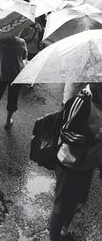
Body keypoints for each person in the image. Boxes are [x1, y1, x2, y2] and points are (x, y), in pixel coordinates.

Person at [49, 83, 102, 240]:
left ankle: (64, 231)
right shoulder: (82, 100)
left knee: (75, 201)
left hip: (88, 164)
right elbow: (66, 133)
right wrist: (94, 138)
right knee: (61, 204)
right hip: (70, 164)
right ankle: (54, 238)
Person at [0, 32, 27, 130]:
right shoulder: (22, 42)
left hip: (1, 73)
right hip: (17, 74)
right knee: (13, 98)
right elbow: (23, 57)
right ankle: (8, 121)